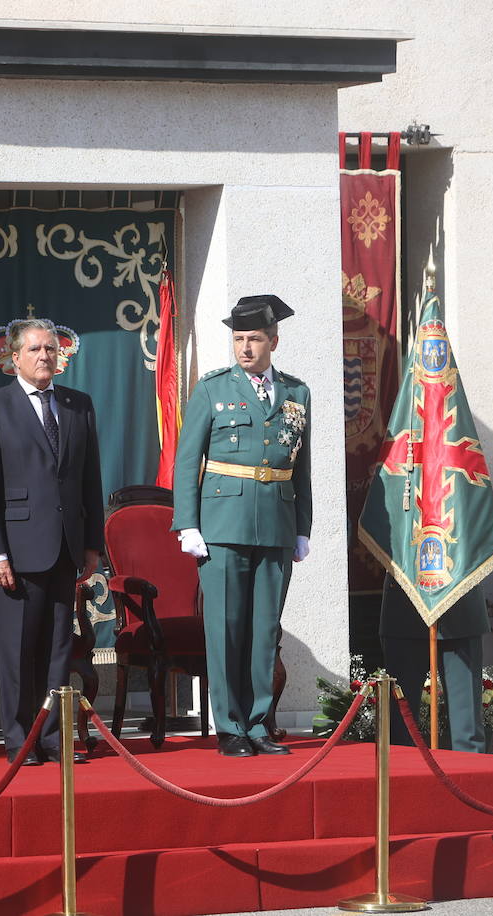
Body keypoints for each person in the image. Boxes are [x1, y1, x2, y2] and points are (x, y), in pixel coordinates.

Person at [172, 295, 312, 757]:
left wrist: (302, 526)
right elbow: (188, 461)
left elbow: (301, 466)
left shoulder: (297, 393)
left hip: (276, 521)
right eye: (238, 339)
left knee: (264, 630)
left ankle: (257, 724)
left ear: (274, 340)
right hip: (223, 523)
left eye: (253, 339)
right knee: (227, 627)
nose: (245, 348)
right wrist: (187, 524)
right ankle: (229, 727)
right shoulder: (213, 389)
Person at [0, 318, 104, 765]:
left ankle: (51, 739)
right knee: (17, 651)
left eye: (51, 349)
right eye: (35, 350)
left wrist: (92, 543)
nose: (45, 356)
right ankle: (19, 741)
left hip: (65, 546)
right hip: (16, 552)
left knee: (57, 650)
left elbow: (89, 480)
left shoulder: (78, 405)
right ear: (14, 358)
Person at [381, 577, 488, 753]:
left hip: (461, 599)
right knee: (400, 730)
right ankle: (403, 780)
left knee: (467, 730)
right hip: (404, 603)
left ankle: (468, 779)